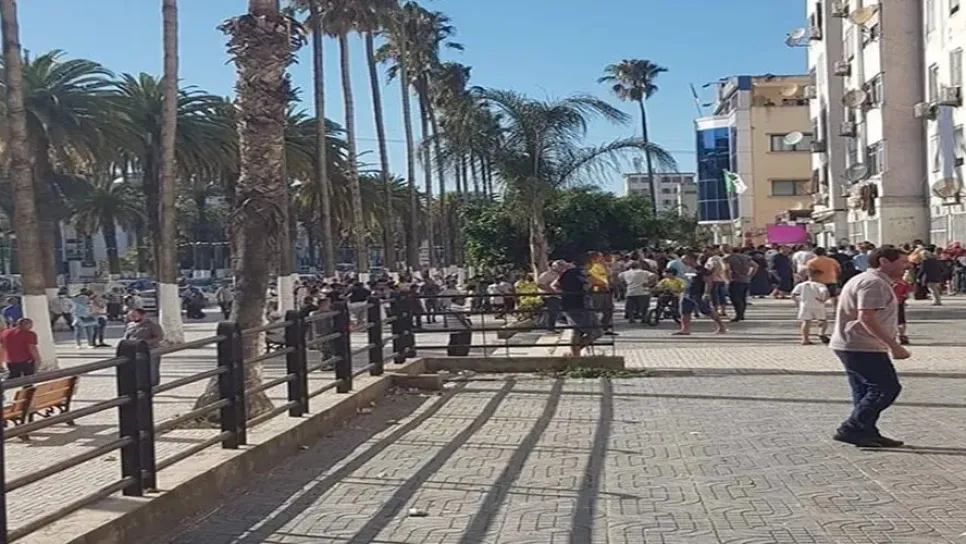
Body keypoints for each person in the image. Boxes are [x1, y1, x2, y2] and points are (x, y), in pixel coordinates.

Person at [828, 245, 910, 448]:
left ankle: (866, 431)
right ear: (884, 262)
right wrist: (894, 346)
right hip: (861, 344)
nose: (906, 267)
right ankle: (852, 428)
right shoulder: (874, 283)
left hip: (854, 343)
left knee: (864, 390)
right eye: (902, 262)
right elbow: (866, 317)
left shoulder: (869, 280)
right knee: (886, 388)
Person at [552, 255, 602, 356]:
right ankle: (576, 351)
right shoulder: (584, 273)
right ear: (588, 264)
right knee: (597, 332)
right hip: (582, 304)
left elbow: (554, 285)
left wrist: (564, 294)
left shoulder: (567, 273)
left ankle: (575, 354)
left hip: (568, 304)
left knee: (576, 330)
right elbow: (599, 282)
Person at [673, 252, 726, 336]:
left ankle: (721, 326)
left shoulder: (702, 270)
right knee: (685, 311)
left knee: (706, 310)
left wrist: (706, 293)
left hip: (698, 293)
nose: (683, 261)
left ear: (692, 259)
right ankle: (685, 329)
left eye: (685, 259)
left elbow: (708, 282)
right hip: (687, 293)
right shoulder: (687, 270)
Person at [124, 308, 166, 386]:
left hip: (150, 349)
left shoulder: (152, 325)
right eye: (131, 316)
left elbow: (160, 337)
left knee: (152, 369)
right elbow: (126, 336)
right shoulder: (130, 325)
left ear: (143, 315)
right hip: (135, 350)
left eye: (135, 315)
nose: (132, 317)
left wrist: (145, 342)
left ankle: (153, 386)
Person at [791, 269, 830, 345]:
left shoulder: (801, 285)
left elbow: (793, 294)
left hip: (805, 305)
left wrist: (797, 302)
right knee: (823, 320)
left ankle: (805, 339)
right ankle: (821, 333)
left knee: (806, 321)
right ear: (817, 276)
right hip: (818, 305)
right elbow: (825, 292)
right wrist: (824, 300)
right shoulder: (820, 285)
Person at [723, 245, 757, 322]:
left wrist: (728, 279)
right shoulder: (745, 257)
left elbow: (726, 269)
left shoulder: (728, 258)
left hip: (735, 280)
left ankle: (738, 314)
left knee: (735, 298)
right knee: (743, 298)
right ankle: (741, 314)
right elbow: (755, 266)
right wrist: (750, 275)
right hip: (745, 280)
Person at [588, 253, 615, 335]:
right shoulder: (591, 266)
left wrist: (606, 266)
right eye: (600, 257)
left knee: (609, 309)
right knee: (596, 309)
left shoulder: (603, 266)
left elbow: (609, 275)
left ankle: (604, 327)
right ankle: (592, 328)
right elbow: (592, 278)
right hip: (597, 290)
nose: (602, 258)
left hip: (606, 290)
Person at [537, 261, 566, 332]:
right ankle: (550, 328)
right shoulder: (546, 275)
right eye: (560, 266)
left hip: (560, 295)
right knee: (553, 312)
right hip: (550, 295)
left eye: (562, 266)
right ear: (554, 266)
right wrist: (552, 290)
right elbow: (540, 285)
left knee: (558, 312)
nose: (561, 267)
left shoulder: (562, 274)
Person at [893, 274, 912, 346]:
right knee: (901, 320)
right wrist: (904, 296)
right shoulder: (903, 283)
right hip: (899, 302)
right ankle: (902, 335)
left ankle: (896, 336)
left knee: (894, 320)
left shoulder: (889, 282)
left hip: (891, 304)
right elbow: (908, 292)